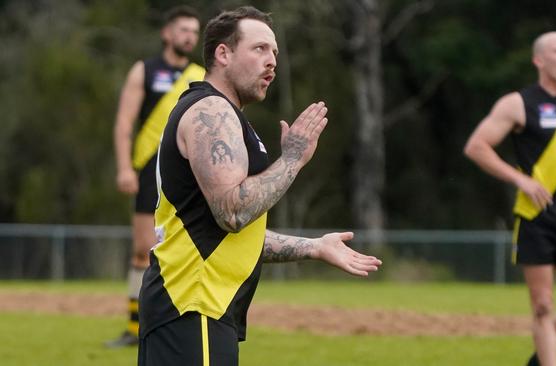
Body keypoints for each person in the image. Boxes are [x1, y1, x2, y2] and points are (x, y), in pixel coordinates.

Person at [137, 6, 382, 366]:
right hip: (192, 305)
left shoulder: (227, 116)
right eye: (260, 49)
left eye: (275, 53)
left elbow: (227, 233)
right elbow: (233, 212)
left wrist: (314, 247)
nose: (271, 62)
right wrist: (294, 158)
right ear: (223, 53)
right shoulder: (212, 111)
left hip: (194, 307)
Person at [464, 32, 556, 366]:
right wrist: (520, 180)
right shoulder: (517, 103)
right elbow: (476, 147)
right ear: (539, 60)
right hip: (535, 217)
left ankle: (538, 361)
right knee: (542, 305)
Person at [108, 5, 203, 348]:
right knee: (143, 251)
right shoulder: (145, 71)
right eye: (183, 30)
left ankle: (171, 323)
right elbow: (123, 123)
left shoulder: (200, 74)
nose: (189, 36)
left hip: (188, 173)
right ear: (167, 33)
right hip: (149, 171)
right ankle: (136, 329)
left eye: (194, 31)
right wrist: (124, 167)